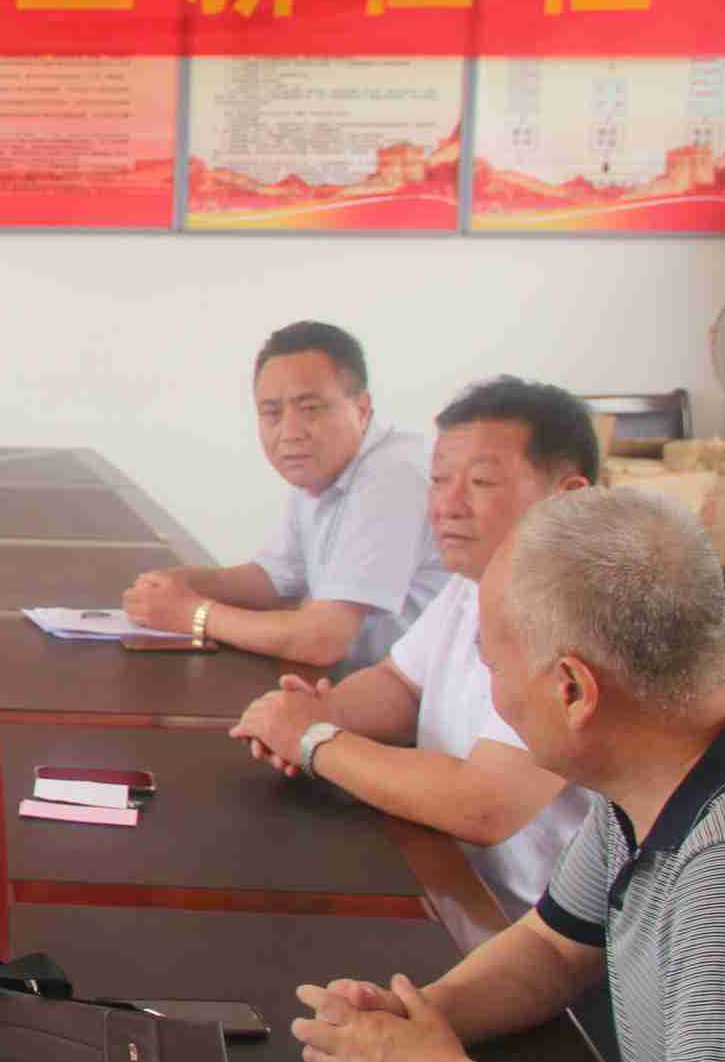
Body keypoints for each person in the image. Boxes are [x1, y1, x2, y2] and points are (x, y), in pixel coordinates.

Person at [293, 491, 725, 1062]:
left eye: (490, 665)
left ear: (573, 689)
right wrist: (423, 1019)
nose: (490, 693)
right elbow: (554, 947)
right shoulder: (669, 762)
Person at [232, 378, 601, 927]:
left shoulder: (581, 615)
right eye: (439, 480)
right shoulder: (475, 579)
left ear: (567, 498)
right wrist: (319, 712)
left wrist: (314, 742)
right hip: (443, 871)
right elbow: (400, 683)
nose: (447, 505)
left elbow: (484, 803)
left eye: (480, 482)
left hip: (524, 930)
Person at [124, 321, 445, 671]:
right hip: (353, 684)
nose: (290, 432)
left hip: (407, 700)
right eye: (272, 413)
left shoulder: (392, 475)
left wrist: (193, 613)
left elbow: (323, 640)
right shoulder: (322, 467)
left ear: (362, 409)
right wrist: (176, 583)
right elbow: (274, 580)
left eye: (310, 409)